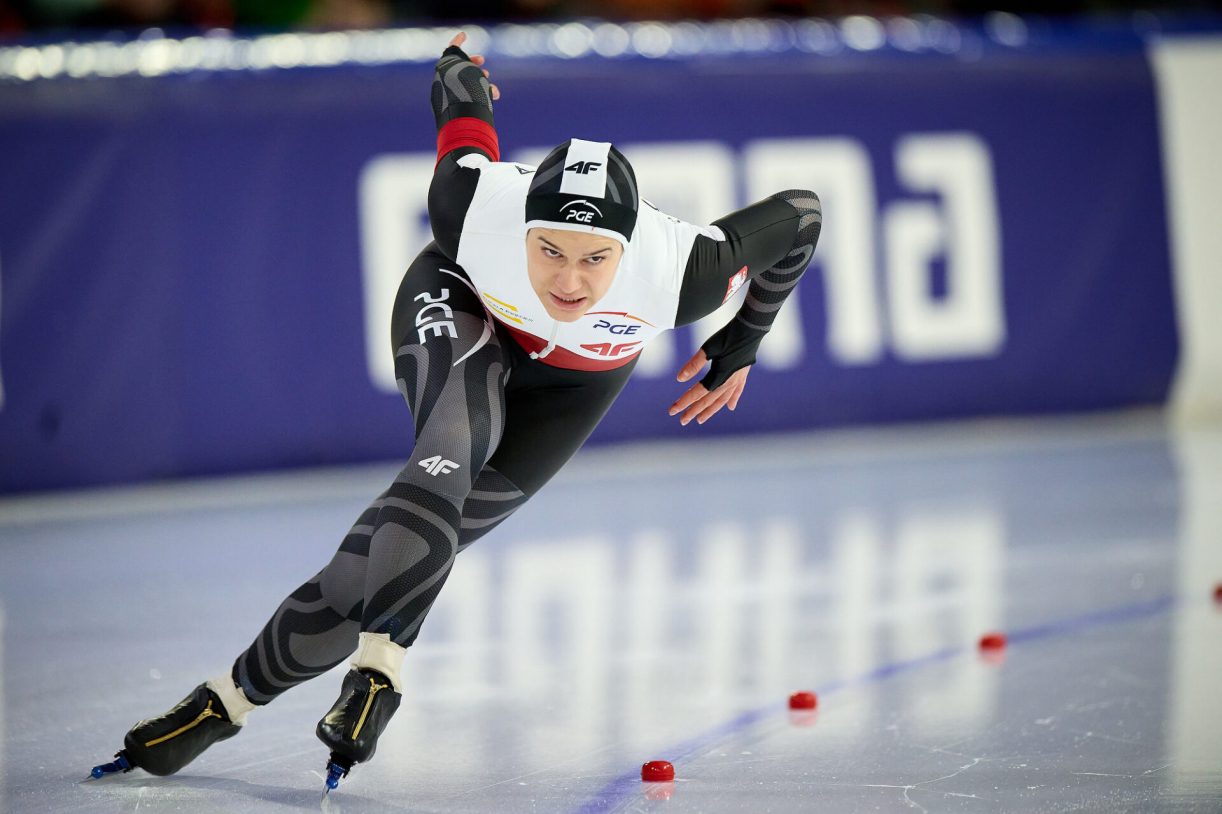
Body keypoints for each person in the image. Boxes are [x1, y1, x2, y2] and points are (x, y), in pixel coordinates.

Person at [90, 31, 822, 791]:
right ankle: (380, 676)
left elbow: (801, 216)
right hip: (462, 303)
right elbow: (461, 110)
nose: (568, 282)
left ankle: (223, 704)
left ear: (629, 249)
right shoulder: (472, 205)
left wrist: (743, 337)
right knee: (451, 439)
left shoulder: (685, 271)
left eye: (595, 258)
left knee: (363, 570)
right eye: (549, 250)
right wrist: (456, 64)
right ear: (523, 228)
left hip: (573, 388)